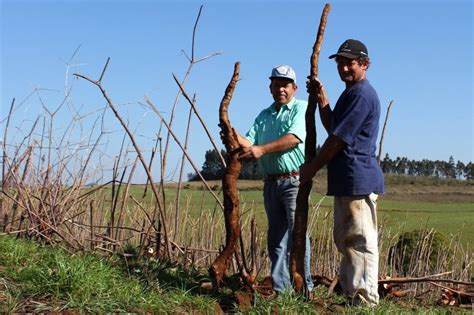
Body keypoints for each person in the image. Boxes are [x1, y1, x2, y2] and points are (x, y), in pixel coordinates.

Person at [300, 39, 384, 305]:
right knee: (346, 240)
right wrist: (322, 99)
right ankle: (352, 297)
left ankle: (364, 302)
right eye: (341, 63)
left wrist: (311, 168)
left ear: (365, 64)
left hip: (357, 177)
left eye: (350, 62)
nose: (345, 68)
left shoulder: (361, 94)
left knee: (359, 241)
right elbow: (334, 127)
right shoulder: (350, 94)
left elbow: (337, 139)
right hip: (347, 178)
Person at [237, 65, 314, 294]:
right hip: (271, 183)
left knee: (298, 236)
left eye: (285, 84)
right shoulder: (264, 115)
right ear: (270, 87)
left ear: (294, 88)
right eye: (276, 84)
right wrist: (232, 134)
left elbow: (294, 138)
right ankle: (282, 290)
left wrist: (261, 150)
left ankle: (305, 288)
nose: (281, 88)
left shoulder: (302, 108)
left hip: (294, 182)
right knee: (276, 240)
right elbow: (249, 143)